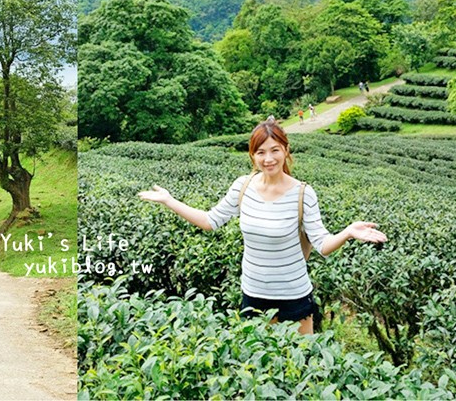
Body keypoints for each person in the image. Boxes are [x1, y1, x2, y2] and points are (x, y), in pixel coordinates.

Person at [137, 119, 386, 334]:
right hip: (253, 292)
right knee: (261, 367)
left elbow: (322, 244)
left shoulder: (303, 193)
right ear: (252, 156)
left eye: (275, 150)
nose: (268, 159)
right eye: (261, 152)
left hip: (293, 294)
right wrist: (170, 201)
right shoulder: (242, 187)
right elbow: (210, 221)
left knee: (300, 368)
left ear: (286, 151)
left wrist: (348, 232)